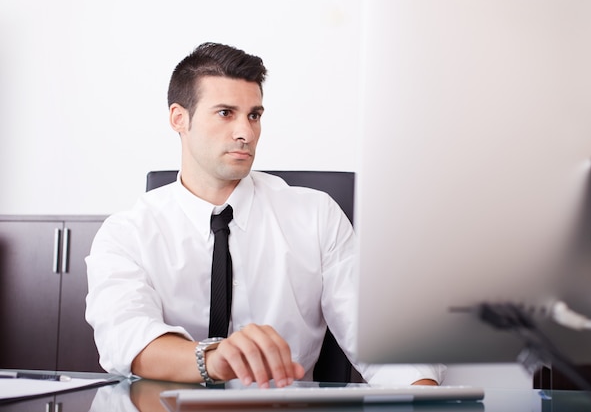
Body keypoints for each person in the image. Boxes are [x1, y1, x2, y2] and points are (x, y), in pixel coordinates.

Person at [85, 42, 445, 388]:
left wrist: (424, 392)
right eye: (226, 113)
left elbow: (375, 335)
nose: (246, 132)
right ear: (180, 118)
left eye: (254, 115)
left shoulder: (315, 216)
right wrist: (213, 359)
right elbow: (124, 337)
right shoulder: (127, 232)